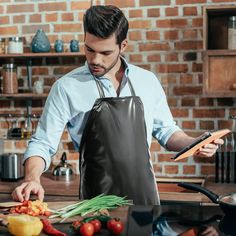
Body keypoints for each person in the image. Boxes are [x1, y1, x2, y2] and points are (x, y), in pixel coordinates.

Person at [12, 5, 223, 205]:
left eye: (105, 53)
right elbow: (42, 143)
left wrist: (195, 143)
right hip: (94, 203)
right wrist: (32, 178)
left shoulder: (147, 81)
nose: (95, 60)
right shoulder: (66, 87)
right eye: (89, 49)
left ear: (123, 46)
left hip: (144, 201)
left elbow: (167, 132)